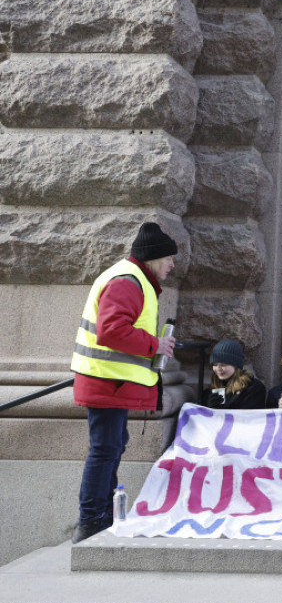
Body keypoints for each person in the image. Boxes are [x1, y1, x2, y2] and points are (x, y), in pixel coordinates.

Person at [70, 222, 178, 543]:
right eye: (169, 258)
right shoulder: (129, 282)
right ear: (153, 258)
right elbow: (112, 331)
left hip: (109, 382)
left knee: (111, 447)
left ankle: (101, 516)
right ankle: (91, 521)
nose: (172, 265)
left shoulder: (131, 278)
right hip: (107, 382)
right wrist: (155, 345)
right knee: (105, 450)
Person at [202, 339, 266, 409]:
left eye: (223, 365)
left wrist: (222, 408)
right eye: (215, 365)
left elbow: (249, 414)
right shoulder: (209, 393)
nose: (218, 369)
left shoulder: (253, 388)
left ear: (236, 366)